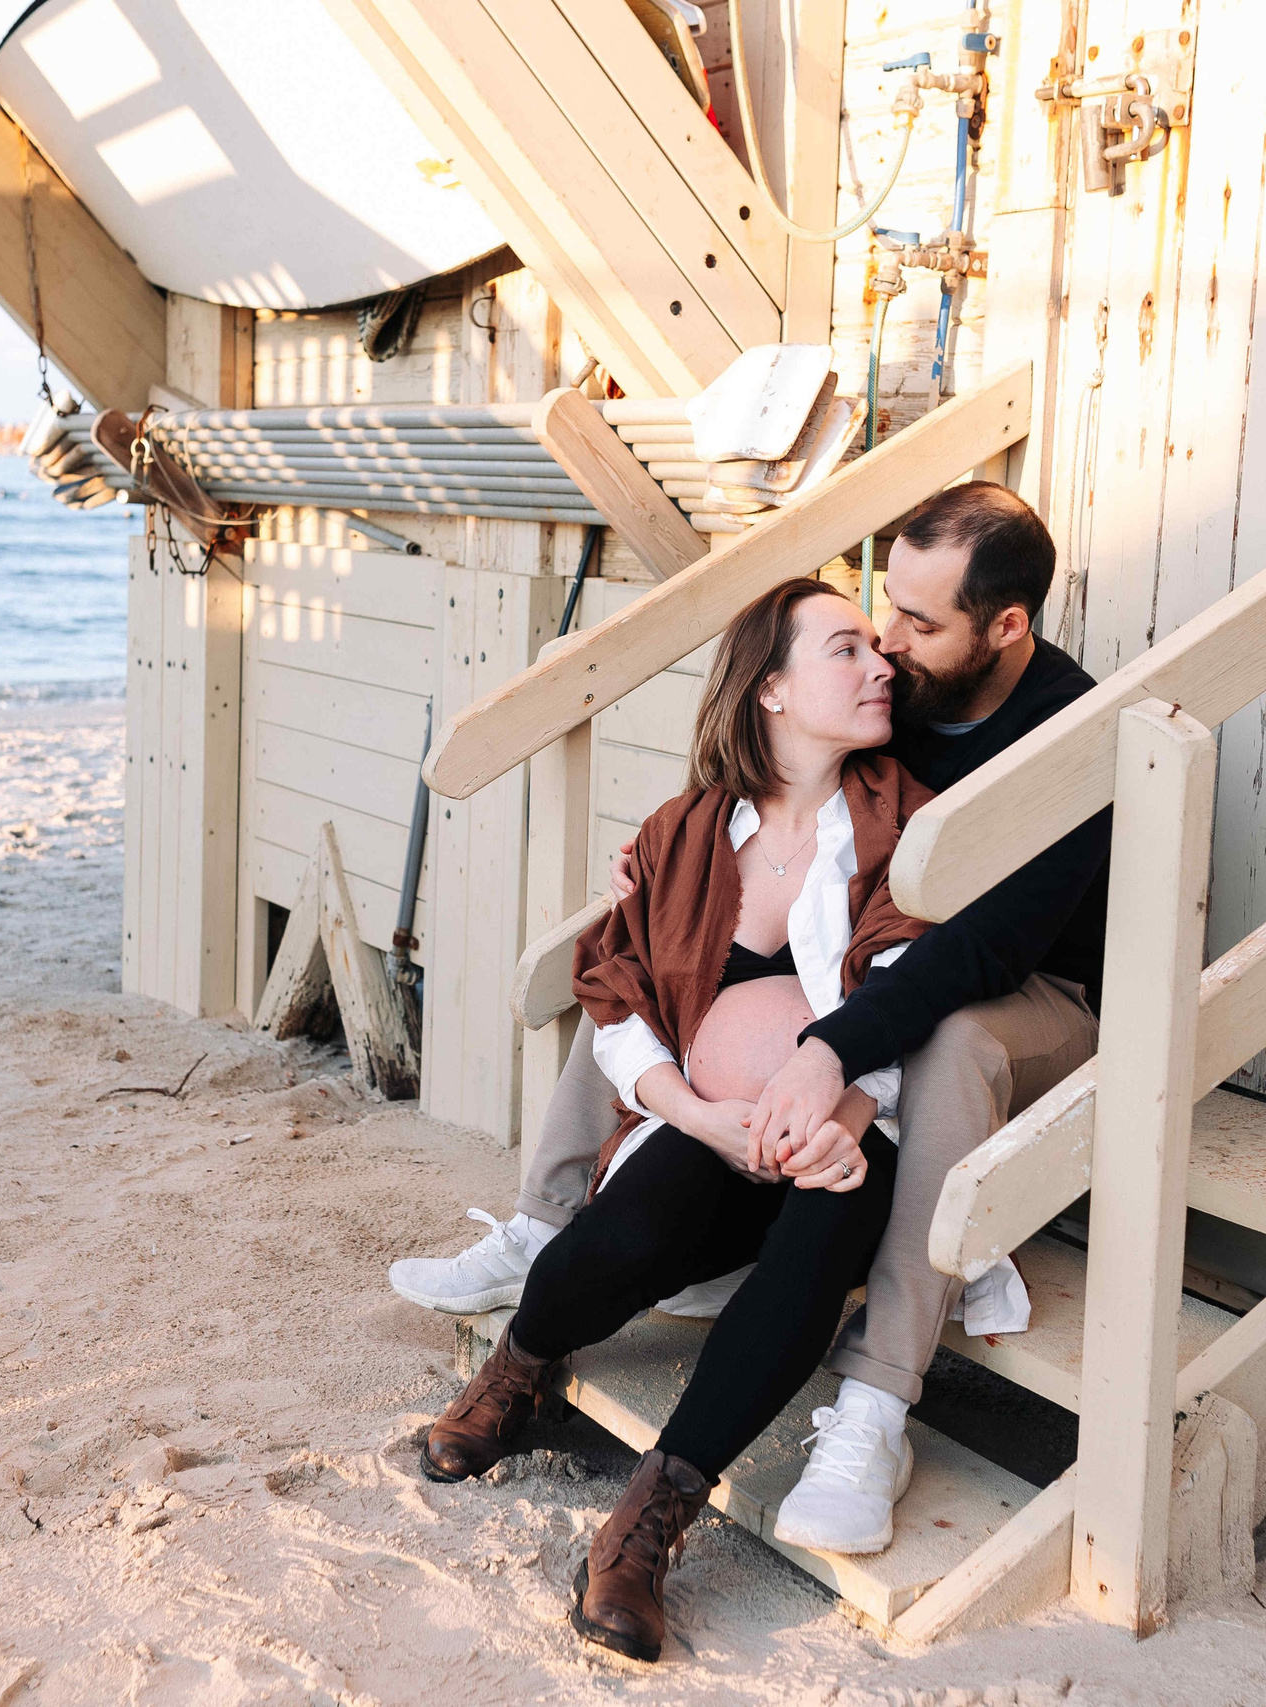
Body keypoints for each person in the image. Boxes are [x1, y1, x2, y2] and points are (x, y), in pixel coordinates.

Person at [390, 482, 1109, 1557]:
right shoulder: (890, 688)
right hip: (871, 978)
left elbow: (976, 953)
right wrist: (675, 861)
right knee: (659, 950)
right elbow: (777, 775)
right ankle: (544, 1232)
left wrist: (839, 1068)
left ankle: (874, 1402)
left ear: (1004, 627)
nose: (889, 650)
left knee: (948, 1041)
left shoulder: (1066, 732)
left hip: (1028, 991)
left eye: (917, 626)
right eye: (877, 621)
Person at [419, 579, 930, 1664]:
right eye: (848, 650)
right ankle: (518, 1375)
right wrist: (696, 1116)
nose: (881, 666)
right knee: (608, 1248)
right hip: (707, 1124)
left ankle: (650, 1521)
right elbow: (615, 997)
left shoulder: (905, 823)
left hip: (842, 1129)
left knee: (817, 1238)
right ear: (773, 690)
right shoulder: (686, 831)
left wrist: (836, 1115)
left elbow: (910, 987)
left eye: (878, 649)